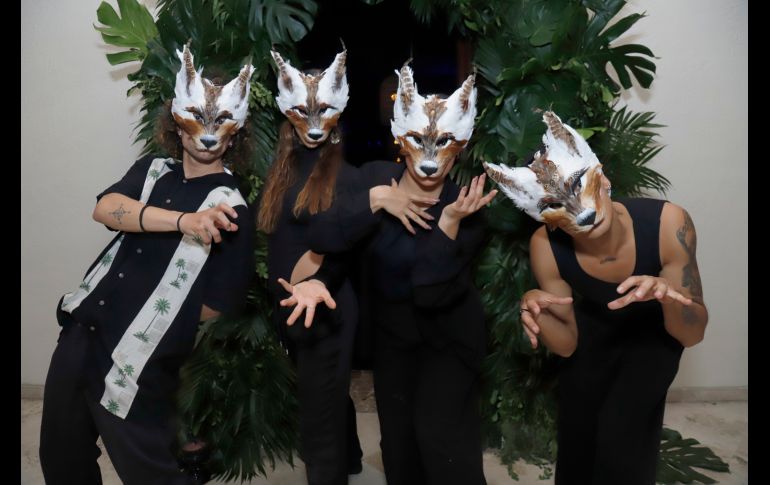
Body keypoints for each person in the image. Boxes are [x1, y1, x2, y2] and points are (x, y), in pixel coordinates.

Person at [39, 45, 256, 484]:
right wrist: (183, 222)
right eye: (197, 118)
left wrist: (160, 330)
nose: (208, 133)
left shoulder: (231, 206)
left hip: (137, 356)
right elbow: (105, 208)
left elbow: (221, 301)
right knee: (61, 453)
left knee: (147, 468)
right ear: (178, 123)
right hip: (83, 328)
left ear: (234, 136)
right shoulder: (153, 169)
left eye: (221, 125)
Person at [280, 62, 496, 485]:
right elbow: (327, 237)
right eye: (420, 141)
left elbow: (430, 292)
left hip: (450, 343)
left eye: (444, 144)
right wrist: (377, 201)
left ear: (460, 146)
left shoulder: (466, 205)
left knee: (443, 442)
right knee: (399, 448)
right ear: (402, 138)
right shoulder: (375, 179)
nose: (431, 160)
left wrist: (449, 222)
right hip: (394, 344)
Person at [484, 111, 708, 485]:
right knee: (578, 448)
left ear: (602, 177)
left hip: (652, 341)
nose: (580, 213)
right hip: (591, 343)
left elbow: (692, 335)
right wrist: (537, 311)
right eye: (556, 205)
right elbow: (568, 345)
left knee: (621, 447)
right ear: (548, 221)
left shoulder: (670, 224)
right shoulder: (547, 246)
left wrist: (670, 299)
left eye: (578, 185)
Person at [257, 45, 363, 485]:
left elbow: (347, 250)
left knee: (317, 413)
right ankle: (352, 457)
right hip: (291, 305)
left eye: (325, 109)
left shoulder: (348, 175)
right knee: (326, 395)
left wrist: (319, 282)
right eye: (305, 109)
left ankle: (331, 472)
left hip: (327, 305)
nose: (315, 122)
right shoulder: (283, 167)